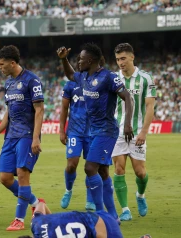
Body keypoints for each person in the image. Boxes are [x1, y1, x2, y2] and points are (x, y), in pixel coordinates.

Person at [57, 43, 134, 220]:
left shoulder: (108, 77)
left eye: (81, 59)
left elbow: (127, 97)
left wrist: (128, 124)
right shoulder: (84, 76)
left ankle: (101, 213)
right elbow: (70, 74)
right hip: (93, 131)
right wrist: (64, 60)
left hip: (106, 130)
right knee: (102, 171)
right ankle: (113, 216)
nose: (78, 62)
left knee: (89, 167)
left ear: (90, 60)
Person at [0, 45, 44, 231]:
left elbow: (39, 109)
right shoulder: (9, 83)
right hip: (11, 136)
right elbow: (9, 112)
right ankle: (36, 202)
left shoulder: (31, 80)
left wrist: (36, 138)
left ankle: (19, 219)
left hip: (27, 135)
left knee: (22, 175)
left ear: (12, 63)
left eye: (2, 65)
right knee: (4, 178)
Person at [111, 43, 156, 221]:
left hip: (137, 133)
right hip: (117, 132)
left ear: (132, 57)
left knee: (140, 173)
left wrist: (144, 133)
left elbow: (150, 107)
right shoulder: (113, 78)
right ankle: (125, 209)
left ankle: (140, 196)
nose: (120, 63)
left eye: (123, 58)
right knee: (119, 169)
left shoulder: (145, 78)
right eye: (117, 59)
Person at [59, 55, 95, 211]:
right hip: (75, 131)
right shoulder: (71, 84)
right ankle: (68, 190)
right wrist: (62, 130)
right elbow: (64, 108)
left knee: (91, 166)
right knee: (71, 165)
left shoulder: (97, 83)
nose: (80, 64)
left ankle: (90, 199)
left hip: (93, 132)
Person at [19, 199, 123, 238]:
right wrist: (51, 219)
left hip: (102, 228)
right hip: (99, 217)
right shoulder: (36, 222)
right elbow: (41, 203)